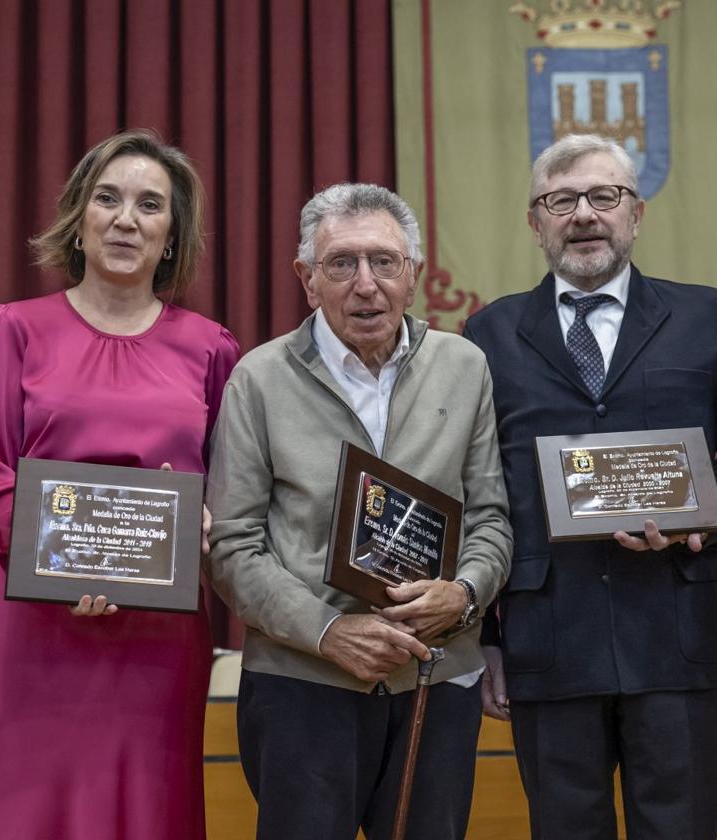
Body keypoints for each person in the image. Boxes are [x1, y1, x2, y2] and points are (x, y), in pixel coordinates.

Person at [462, 134, 717, 839]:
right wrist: (482, 637)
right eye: (561, 200)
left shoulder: (702, 316)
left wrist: (704, 513)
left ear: (636, 214)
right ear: (535, 222)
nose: (583, 215)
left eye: (604, 196)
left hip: (675, 631)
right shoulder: (489, 334)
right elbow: (473, 492)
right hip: (547, 638)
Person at [0, 130, 240, 839]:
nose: (126, 218)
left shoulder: (212, 348)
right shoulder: (11, 329)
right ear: (79, 217)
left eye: (150, 205)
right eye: (107, 198)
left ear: (172, 235)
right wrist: (67, 565)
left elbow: (232, 488)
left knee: (144, 809)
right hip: (30, 627)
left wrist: (209, 522)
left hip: (153, 637)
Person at [205, 183, 512, 840]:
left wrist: (462, 596)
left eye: (384, 262)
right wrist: (326, 631)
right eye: (341, 263)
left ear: (415, 276)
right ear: (307, 280)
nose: (365, 284)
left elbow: (490, 518)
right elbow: (231, 546)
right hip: (302, 682)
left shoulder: (464, 367)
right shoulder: (258, 380)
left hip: (434, 675)